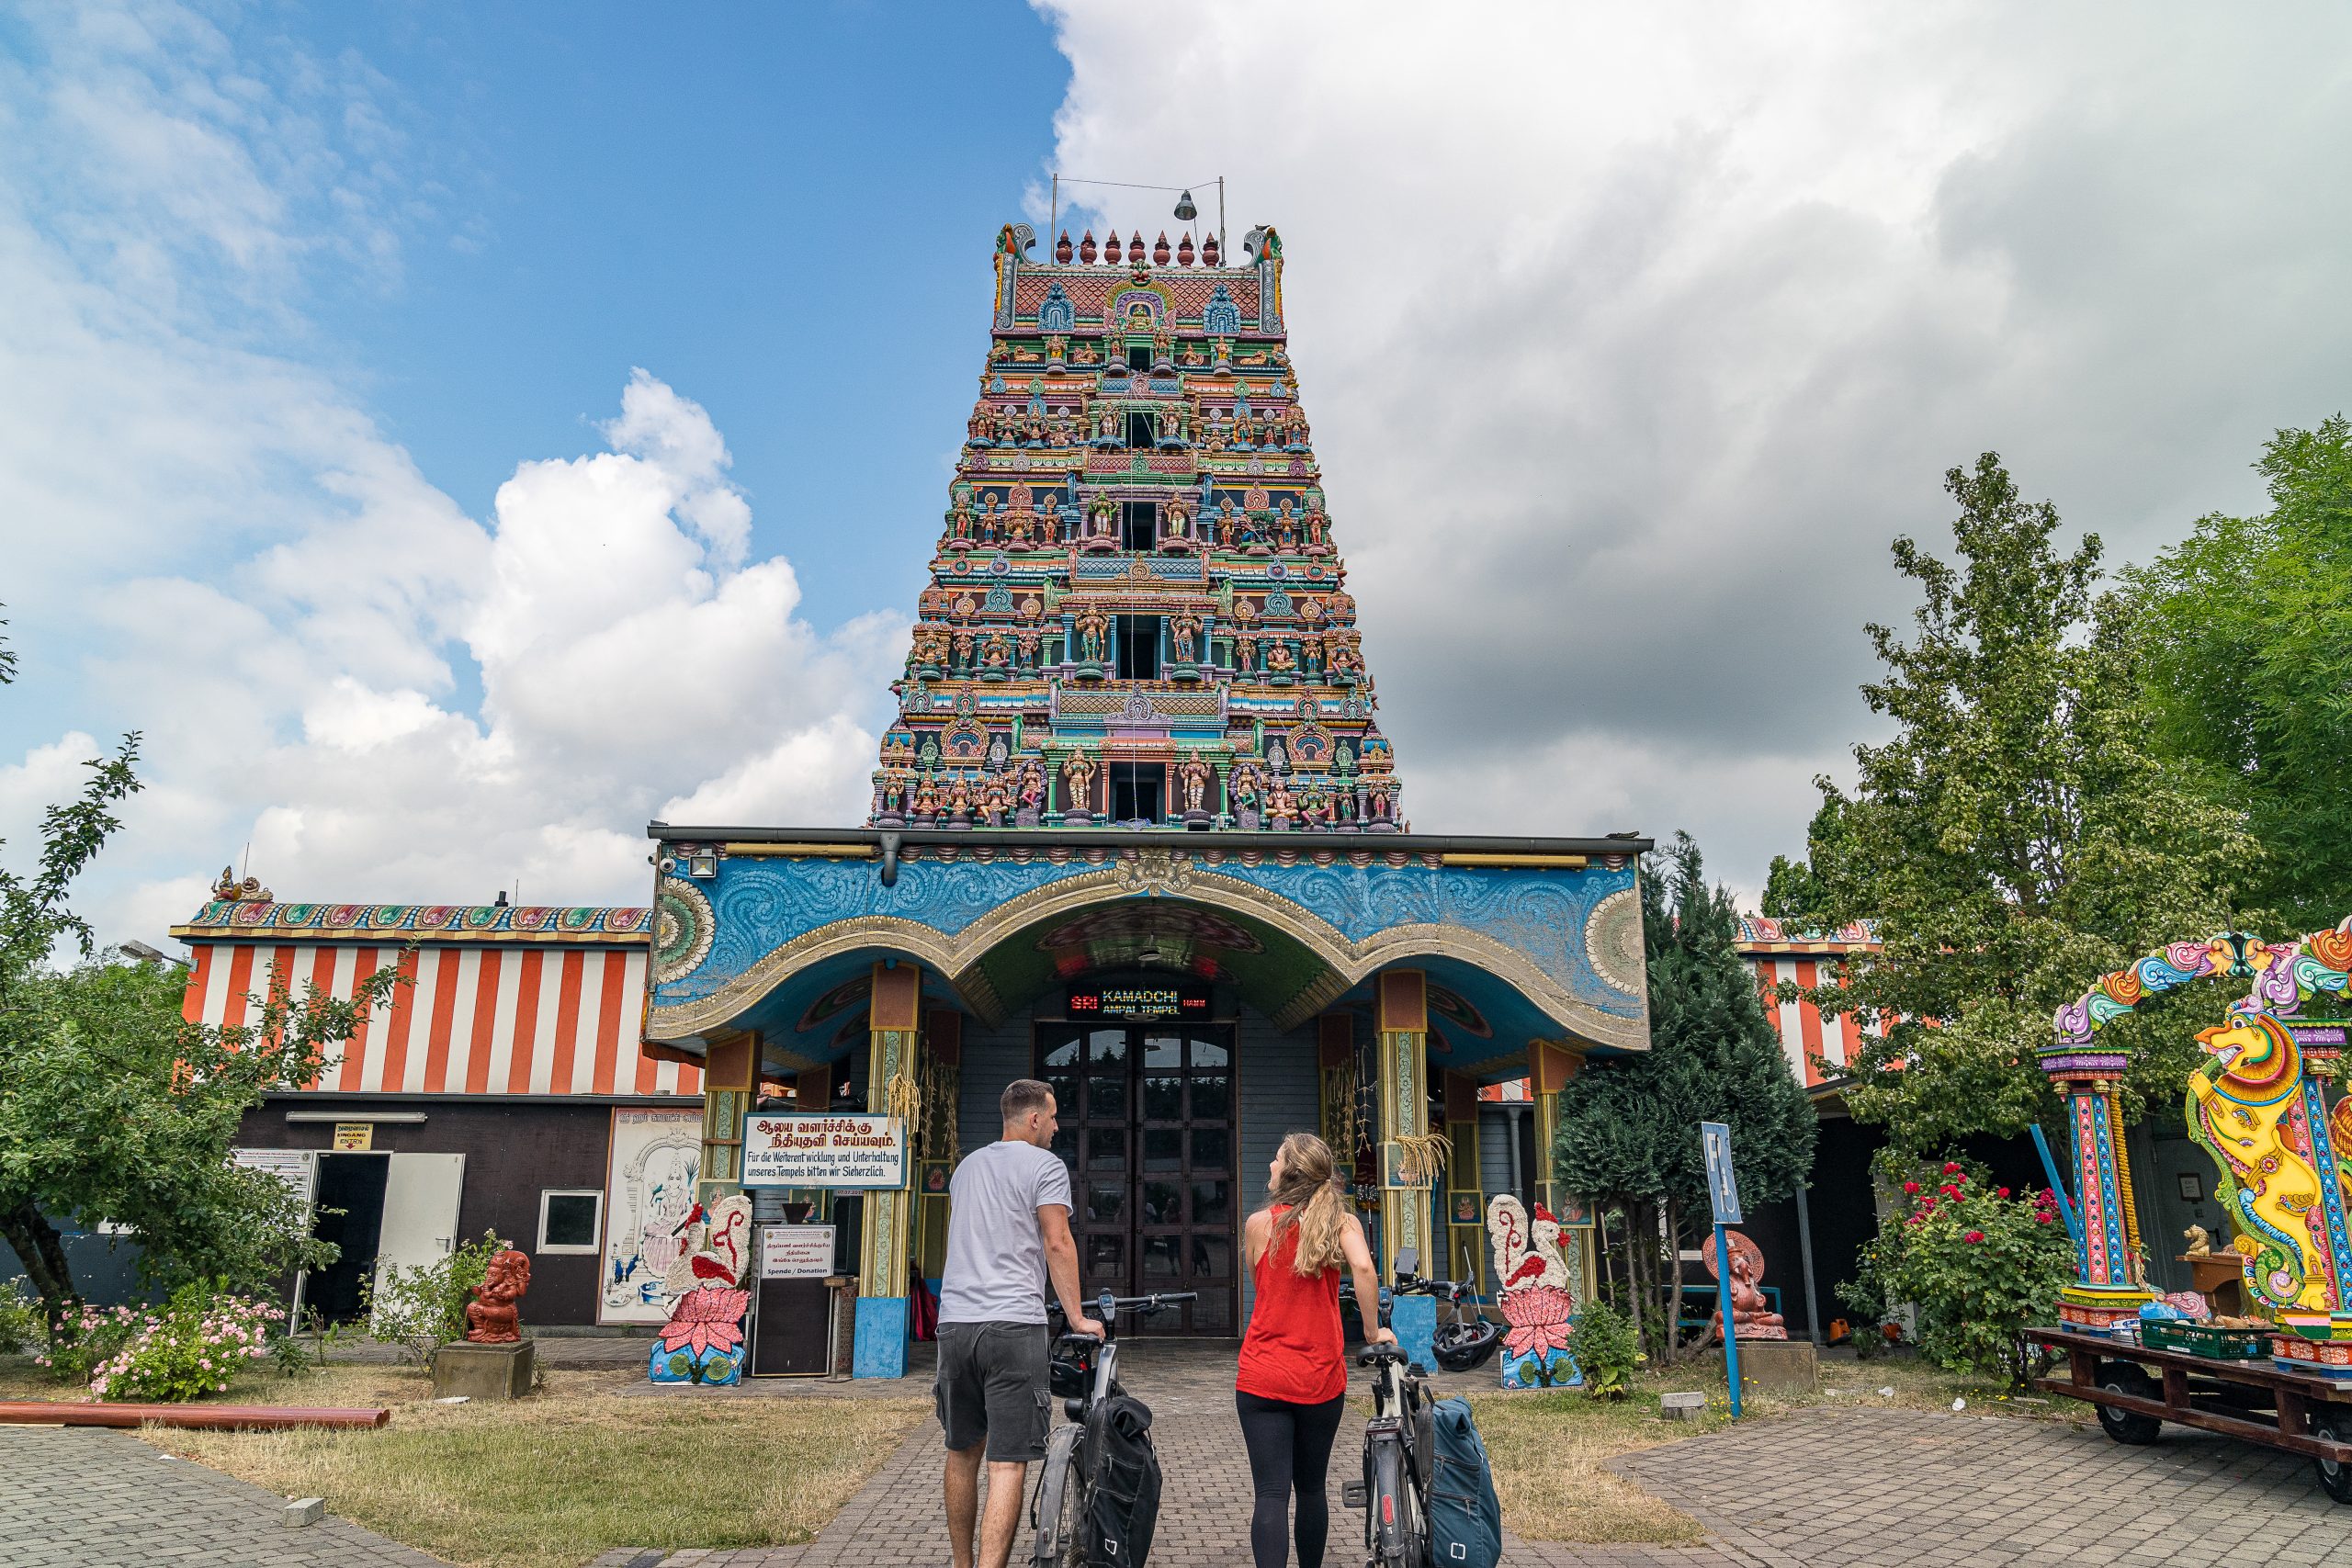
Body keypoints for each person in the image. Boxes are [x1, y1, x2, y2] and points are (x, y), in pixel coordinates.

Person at [937, 1078, 1102, 1568]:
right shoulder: (1045, 1166)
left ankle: (962, 1565)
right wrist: (1076, 1316)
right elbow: (1057, 1242)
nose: (1056, 1126)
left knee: (962, 1449)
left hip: (955, 1325)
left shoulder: (967, 1168)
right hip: (1012, 1325)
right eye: (1052, 1117)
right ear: (1033, 1119)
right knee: (1007, 1461)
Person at [1236, 1131, 1394, 1568]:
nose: (1269, 1165)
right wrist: (1372, 1330)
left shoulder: (1258, 1225)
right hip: (1319, 1378)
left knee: (1270, 1493)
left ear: (1289, 1173)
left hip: (1262, 1374)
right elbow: (1363, 1266)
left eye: (1275, 1158)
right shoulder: (1342, 1224)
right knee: (1310, 1489)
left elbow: (1261, 1285)